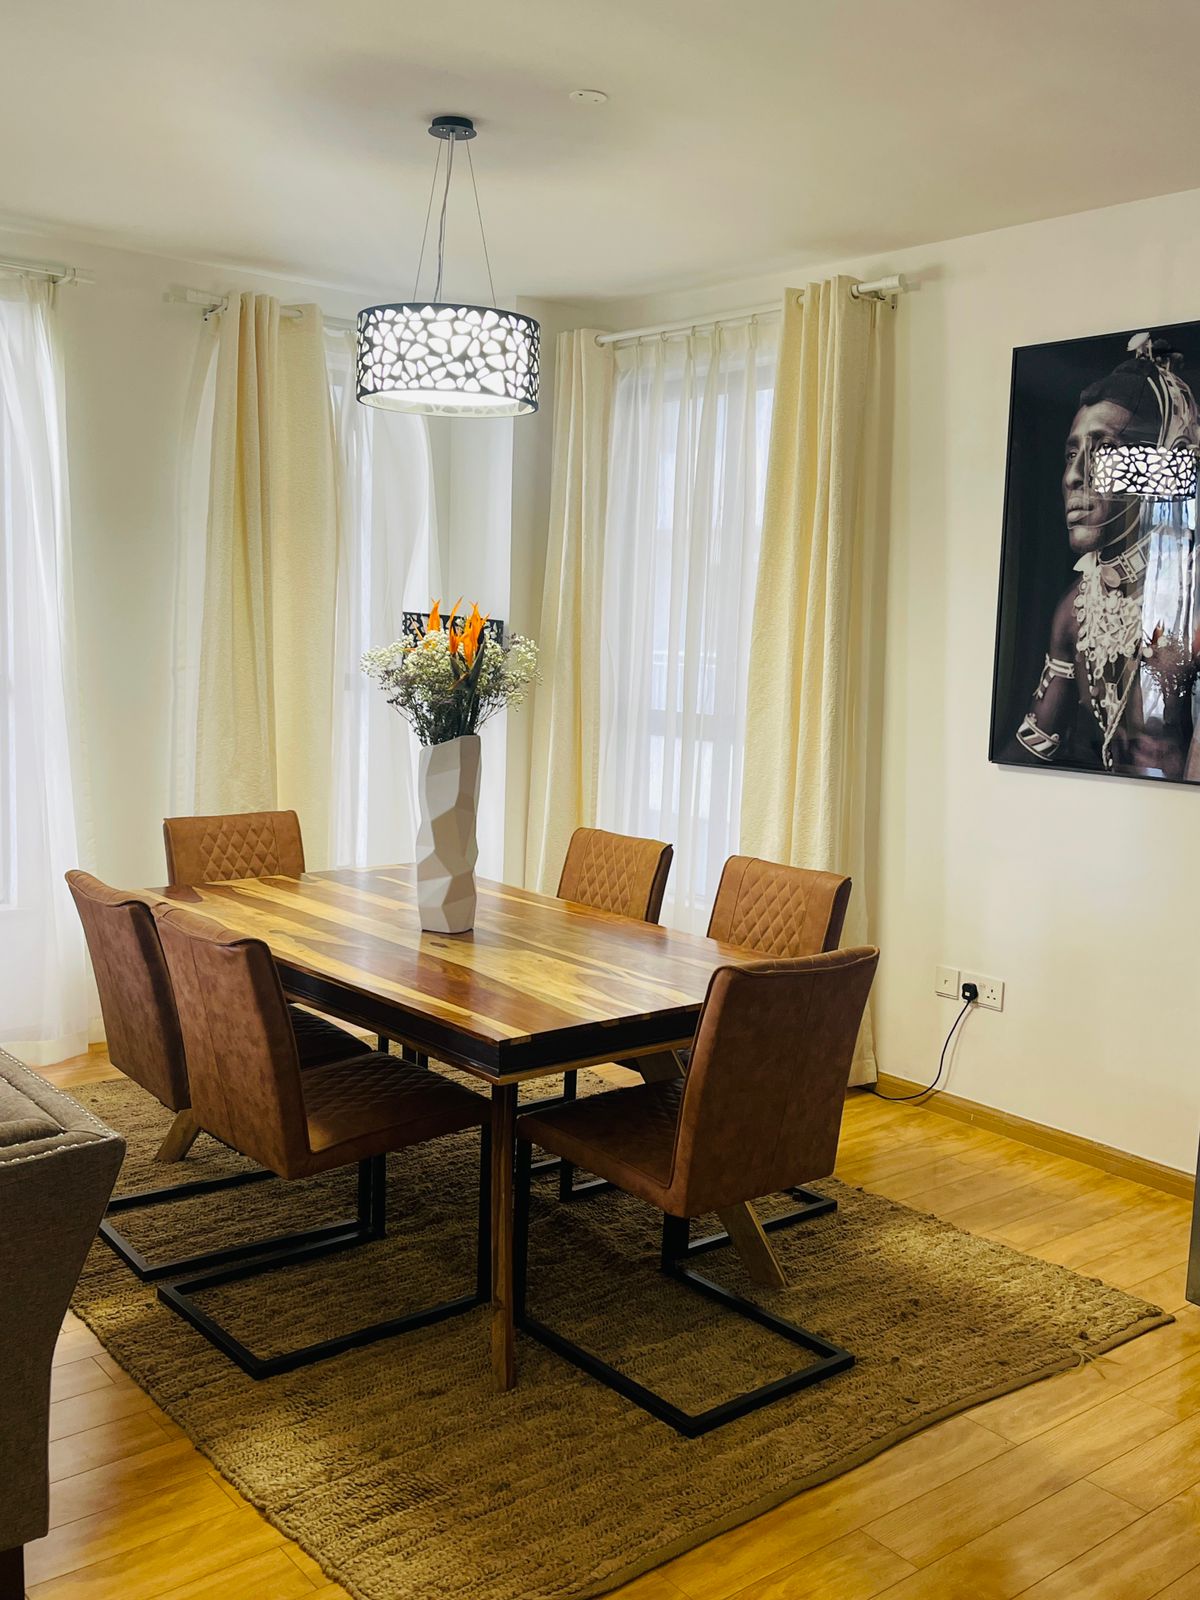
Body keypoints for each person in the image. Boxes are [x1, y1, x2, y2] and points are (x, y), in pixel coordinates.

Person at [1010, 331, 1200, 779]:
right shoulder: (1075, 610)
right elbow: (1031, 748)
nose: (1074, 477)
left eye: (1105, 450)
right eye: (1071, 453)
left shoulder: (1192, 598)